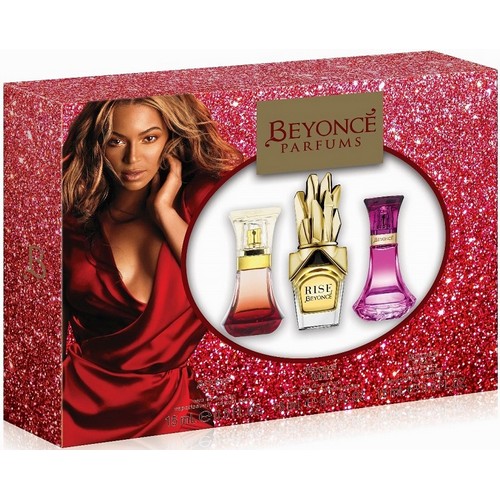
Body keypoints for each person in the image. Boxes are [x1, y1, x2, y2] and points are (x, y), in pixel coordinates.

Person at [62, 94, 242, 446]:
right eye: (116, 141)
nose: (133, 158)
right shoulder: (71, 229)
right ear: (98, 145)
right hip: (75, 409)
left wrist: (164, 212)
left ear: (172, 139)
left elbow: (225, 289)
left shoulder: (201, 207)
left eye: (149, 138)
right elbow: (44, 347)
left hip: (173, 416)